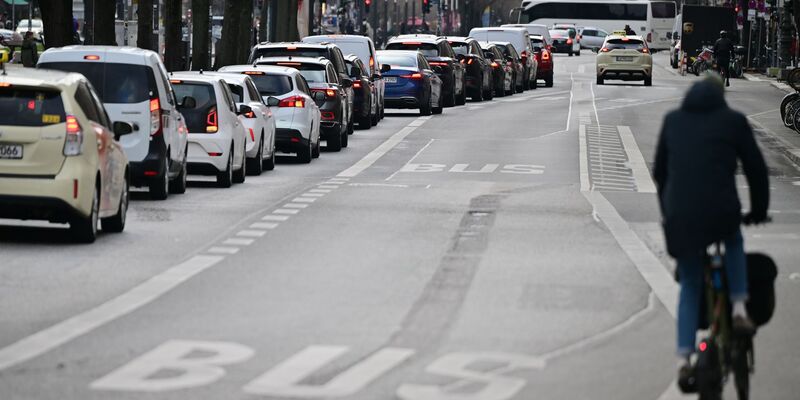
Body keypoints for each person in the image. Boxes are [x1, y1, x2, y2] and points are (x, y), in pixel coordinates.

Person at [653, 74, 769, 383]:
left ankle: (682, 358)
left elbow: (659, 172)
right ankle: (740, 308)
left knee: (690, 283)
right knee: (732, 239)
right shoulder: (733, 121)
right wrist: (759, 210)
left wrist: (669, 213)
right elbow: (756, 168)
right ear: (721, 97)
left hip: (681, 217)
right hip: (721, 212)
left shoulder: (672, 120)